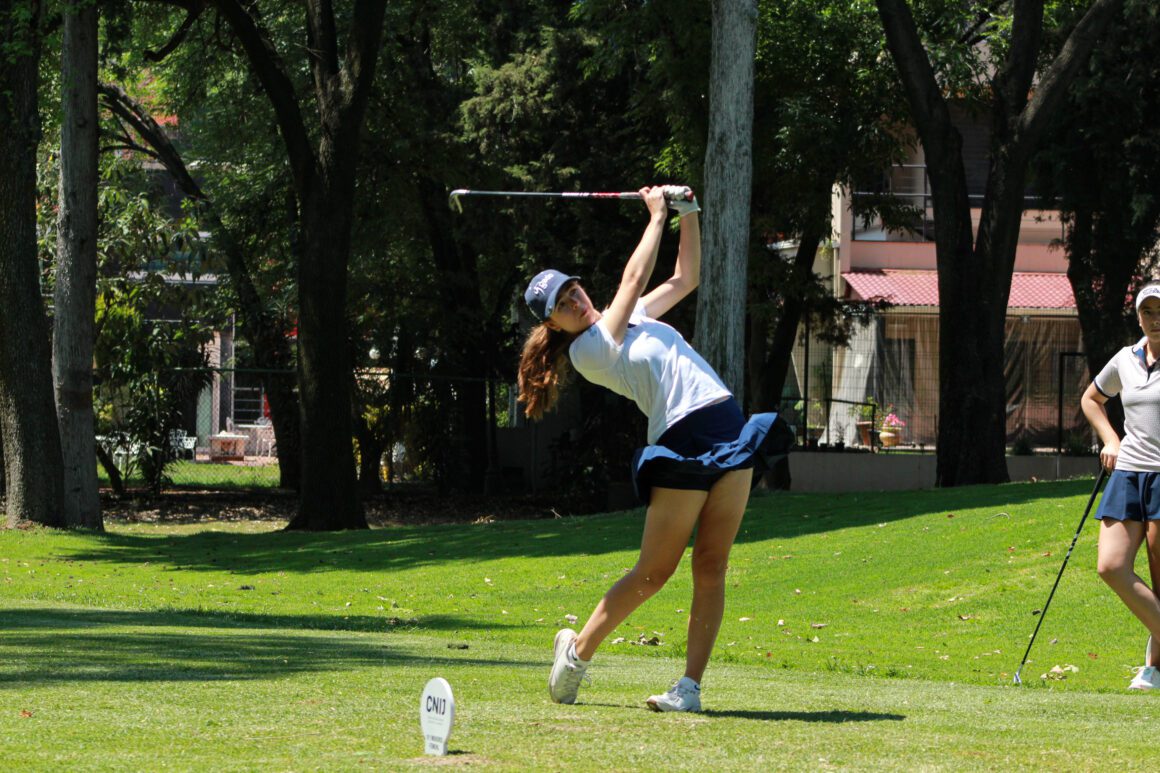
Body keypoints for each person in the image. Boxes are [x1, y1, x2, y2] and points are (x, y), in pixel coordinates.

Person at [517, 185, 791, 712]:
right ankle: (576, 653)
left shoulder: (633, 314)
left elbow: (685, 278)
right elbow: (634, 277)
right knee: (654, 572)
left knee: (712, 566)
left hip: (727, 426)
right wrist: (656, 213)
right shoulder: (589, 350)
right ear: (552, 324)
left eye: (572, 289)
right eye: (562, 305)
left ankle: (689, 689)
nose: (576, 300)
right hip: (680, 440)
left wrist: (688, 214)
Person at [1081, 280, 1160, 690]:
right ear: (1139, 317)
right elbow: (1091, 399)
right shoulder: (1125, 359)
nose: (1155, 319)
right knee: (1110, 566)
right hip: (1129, 472)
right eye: (1148, 312)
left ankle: (1154, 667)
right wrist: (1111, 439)